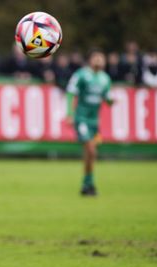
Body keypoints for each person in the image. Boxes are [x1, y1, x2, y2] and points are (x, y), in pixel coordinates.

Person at [66, 49, 113, 196]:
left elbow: (107, 98)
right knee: (91, 149)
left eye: (102, 58)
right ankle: (89, 183)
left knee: (91, 153)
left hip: (94, 121)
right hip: (82, 119)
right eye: (96, 57)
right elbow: (70, 92)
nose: (99, 60)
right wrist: (70, 113)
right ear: (90, 60)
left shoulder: (105, 78)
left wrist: (112, 101)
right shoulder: (81, 75)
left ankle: (87, 185)